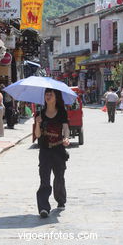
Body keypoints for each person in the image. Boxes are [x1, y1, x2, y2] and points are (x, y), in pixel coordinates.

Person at [34, 88, 70, 218]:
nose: (48, 96)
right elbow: (37, 135)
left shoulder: (61, 112)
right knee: (44, 179)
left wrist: (66, 138)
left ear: (56, 97)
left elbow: (65, 128)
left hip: (58, 149)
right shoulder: (40, 114)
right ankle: (43, 208)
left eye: (51, 94)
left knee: (59, 177)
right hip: (44, 150)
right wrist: (37, 123)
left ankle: (60, 199)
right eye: (46, 94)